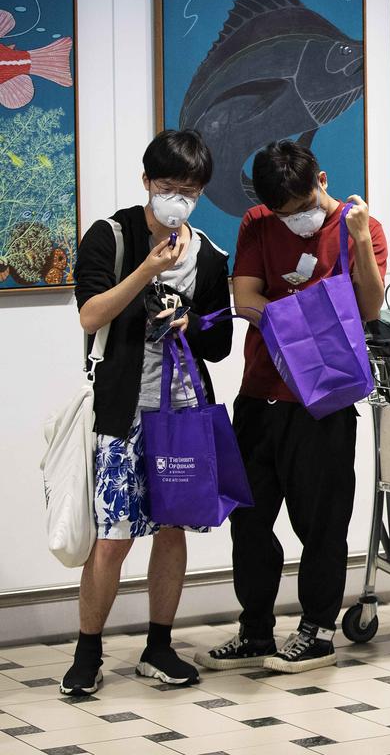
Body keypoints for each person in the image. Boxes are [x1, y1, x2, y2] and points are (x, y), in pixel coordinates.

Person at [195, 140, 387, 674]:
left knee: (321, 520)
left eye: (303, 205)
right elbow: (245, 298)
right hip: (259, 393)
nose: (295, 220)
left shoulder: (359, 226)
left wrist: (356, 245)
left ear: (321, 180)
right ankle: (255, 630)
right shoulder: (257, 222)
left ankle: (317, 630)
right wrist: (312, 313)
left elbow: (369, 307)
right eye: (285, 212)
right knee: (249, 518)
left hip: (324, 403)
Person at [63, 129, 231, 695]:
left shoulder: (208, 254)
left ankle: (159, 647)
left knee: (174, 529)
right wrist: (146, 273)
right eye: (167, 186)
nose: (176, 199)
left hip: (182, 414)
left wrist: (193, 323)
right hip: (123, 413)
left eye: (188, 190)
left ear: (201, 193)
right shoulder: (111, 236)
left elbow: (220, 341)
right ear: (146, 183)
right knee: (112, 537)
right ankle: (88, 653)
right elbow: (90, 316)